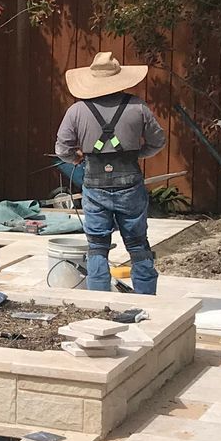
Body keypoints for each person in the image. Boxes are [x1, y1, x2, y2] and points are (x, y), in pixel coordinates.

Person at [55, 51, 166, 295]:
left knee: (96, 246)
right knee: (138, 245)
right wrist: (138, 154)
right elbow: (158, 141)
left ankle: (99, 305)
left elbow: (62, 149)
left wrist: (76, 158)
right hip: (130, 186)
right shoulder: (137, 106)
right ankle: (147, 301)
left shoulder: (76, 111)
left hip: (94, 186)